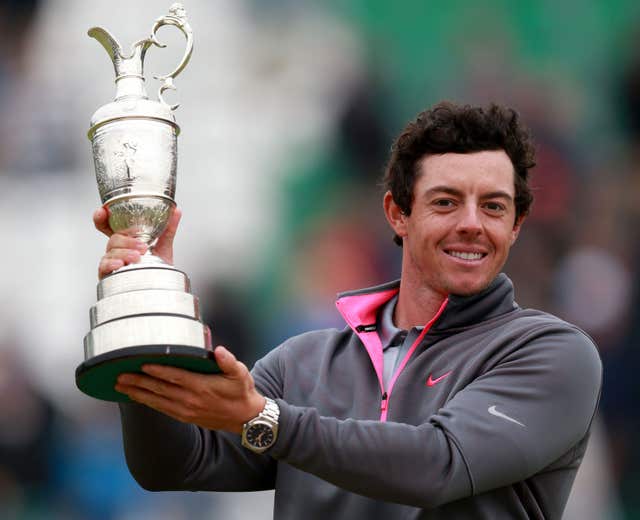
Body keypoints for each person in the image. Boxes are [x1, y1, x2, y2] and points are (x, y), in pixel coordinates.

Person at [94, 101, 602, 519]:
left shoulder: (553, 353)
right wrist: (144, 311)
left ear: (516, 225)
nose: (472, 224)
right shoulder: (303, 363)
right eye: (446, 202)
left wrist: (267, 419)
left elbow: (437, 465)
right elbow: (174, 465)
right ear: (397, 214)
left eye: (493, 206)